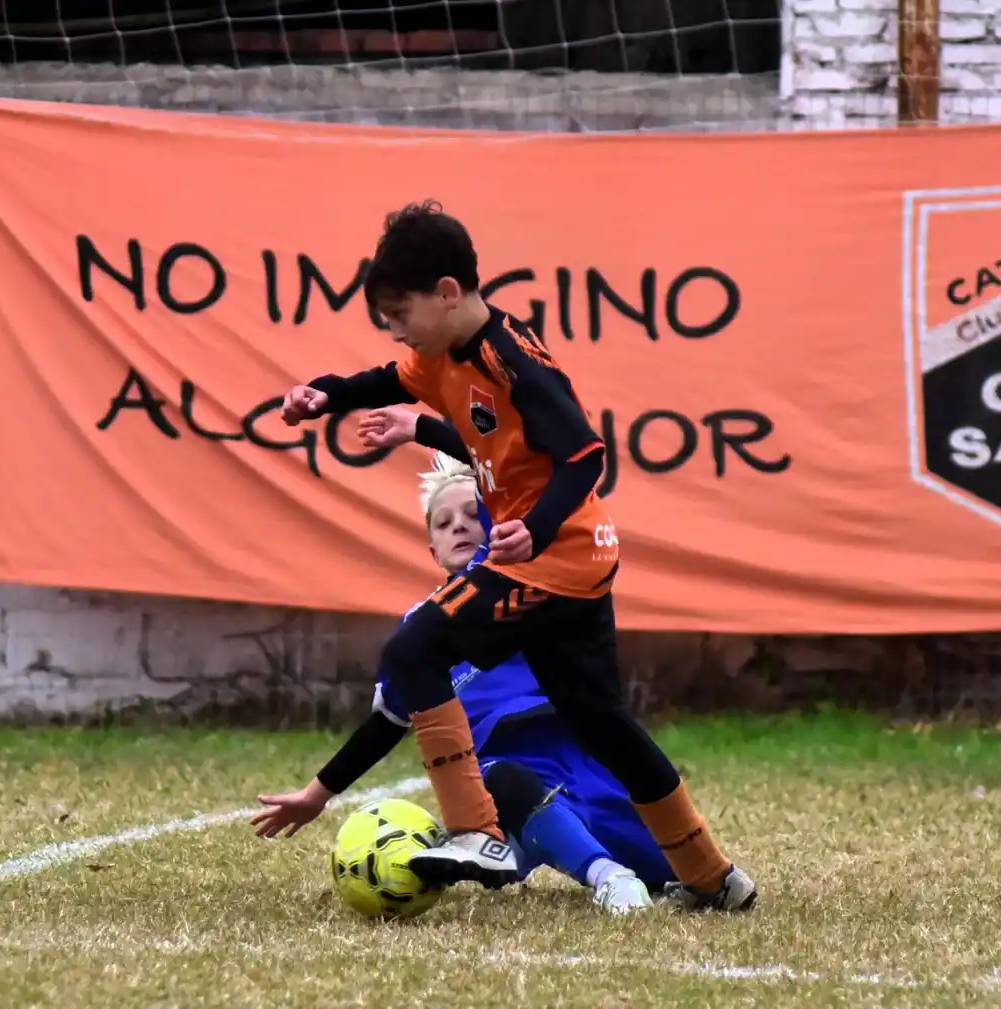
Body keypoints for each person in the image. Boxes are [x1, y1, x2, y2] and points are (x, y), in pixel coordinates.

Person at [263, 200, 755, 912]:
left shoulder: (512, 361)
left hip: (549, 558)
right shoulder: (443, 357)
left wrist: (537, 525)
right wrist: (327, 395)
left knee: (413, 651)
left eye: (399, 314)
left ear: (447, 293)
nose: (394, 332)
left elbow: (586, 456)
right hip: (578, 561)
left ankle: (476, 830)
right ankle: (713, 876)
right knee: (603, 724)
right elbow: (390, 381)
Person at [252, 450, 674, 914]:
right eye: (443, 522)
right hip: (500, 778)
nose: (458, 526)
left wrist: (464, 447)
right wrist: (315, 796)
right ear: (430, 547)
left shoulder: (522, 584)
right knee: (499, 781)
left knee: (673, 877)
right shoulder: (419, 630)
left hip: (580, 754)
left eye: (473, 514)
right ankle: (603, 876)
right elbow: (388, 721)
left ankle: (523, 849)